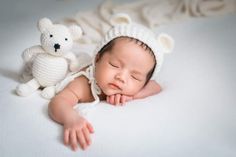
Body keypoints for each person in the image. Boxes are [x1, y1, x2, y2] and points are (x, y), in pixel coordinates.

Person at [48, 13, 174, 151]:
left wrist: (131, 95)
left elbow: (156, 86)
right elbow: (59, 101)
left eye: (135, 77)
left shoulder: (135, 86)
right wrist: (71, 118)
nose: (121, 77)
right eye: (114, 65)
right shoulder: (83, 83)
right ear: (97, 59)